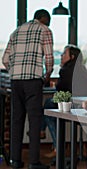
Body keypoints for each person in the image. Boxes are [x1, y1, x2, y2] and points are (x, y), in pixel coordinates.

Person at [2, 9, 53, 169]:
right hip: (33, 81)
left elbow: (4, 59)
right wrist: (47, 75)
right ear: (44, 19)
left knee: (16, 120)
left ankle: (15, 160)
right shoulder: (45, 30)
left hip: (16, 81)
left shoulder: (16, 32)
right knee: (35, 120)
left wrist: (14, 72)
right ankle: (33, 162)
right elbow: (49, 58)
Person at [43, 45, 87, 158]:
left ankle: (58, 147)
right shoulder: (83, 69)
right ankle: (44, 132)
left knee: (48, 105)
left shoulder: (66, 70)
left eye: (64, 54)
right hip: (83, 107)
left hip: (71, 107)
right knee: (50, 104)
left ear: (72, 57)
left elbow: (61, 89)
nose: (62, 55)